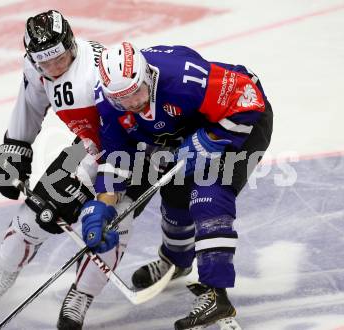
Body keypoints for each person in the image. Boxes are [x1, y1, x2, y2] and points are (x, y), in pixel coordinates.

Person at [78, 42, 273, 329]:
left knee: (208, 193)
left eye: (136, 93)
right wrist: (103, 205)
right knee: (175, 195)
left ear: (148, 77)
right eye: (122, 101)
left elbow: (249, 99)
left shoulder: (183, 78)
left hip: (238, 121)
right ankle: (176, 261)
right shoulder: (107, 101)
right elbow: (116, 156)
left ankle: (216, 294)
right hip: (186, 132)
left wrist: (209, 139)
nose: (132, 104)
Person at [0, 11, 137, 330]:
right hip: (86, 144)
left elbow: (123, 131)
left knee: (112, 222)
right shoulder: (35, 68)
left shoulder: (97, 70)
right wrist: (15, 150)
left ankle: (82, 295)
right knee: (35, 215)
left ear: (71, 44)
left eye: (59, 59)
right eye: (45, 64)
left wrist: (95, 184)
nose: (54, 69)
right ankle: (5, 269)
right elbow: (30, 105)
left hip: (128, 149)